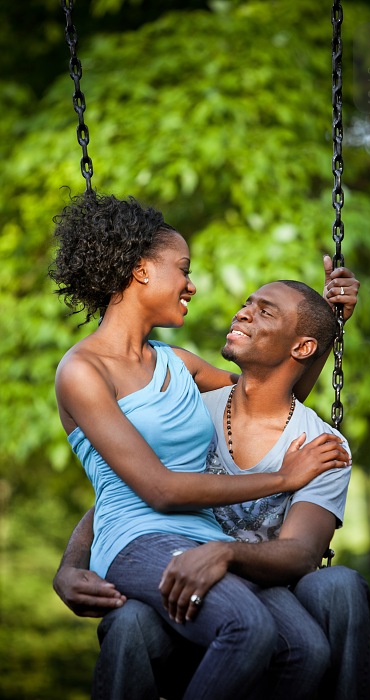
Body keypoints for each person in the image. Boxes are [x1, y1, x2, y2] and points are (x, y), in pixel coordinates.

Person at [49, 190, 354, 700]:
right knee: (249, 629)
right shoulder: (82, 371)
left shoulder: (178, 363)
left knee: (307, 650)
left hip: (200, 537)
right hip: (138, 537)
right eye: (182, 268)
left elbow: (272, 391)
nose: (191, 284)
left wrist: (326, 326)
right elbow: (160, 489)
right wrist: (285, 478)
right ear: (142, 270)